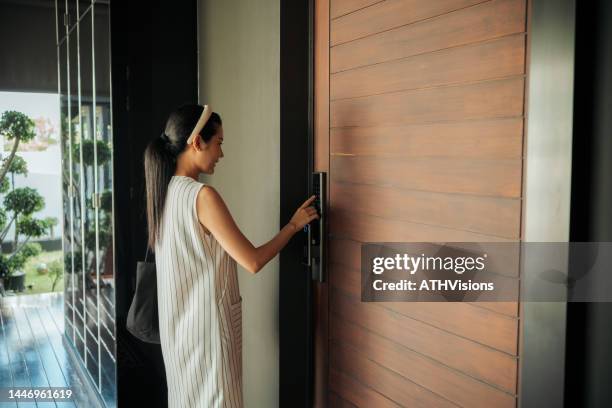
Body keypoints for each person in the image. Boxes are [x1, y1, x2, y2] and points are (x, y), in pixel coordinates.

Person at [143, 104, 318, 408]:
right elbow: (252, 261)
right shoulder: (201, 197)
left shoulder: (164, 193)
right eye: (219, 142)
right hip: (207, 337)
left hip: (180, 337)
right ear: (197, 142)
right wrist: (293, 226)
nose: (221, 154)